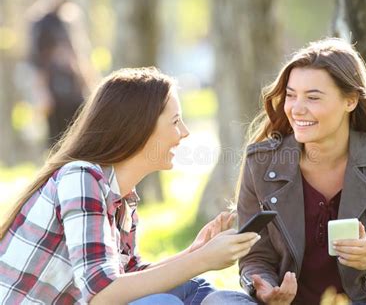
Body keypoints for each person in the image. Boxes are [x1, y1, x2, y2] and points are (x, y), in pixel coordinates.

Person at [201, 38, 366, 304]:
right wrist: (265, 289)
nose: (297, 108)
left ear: (350, 101)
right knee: (219, 300)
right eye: (291, 95)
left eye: (313, 97)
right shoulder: (261, 162)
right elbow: (255, 258)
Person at [0, 67, 260, 305]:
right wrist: (202, 260)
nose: (184, 132)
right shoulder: (80, 176)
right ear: (140, 127)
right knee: (163, 304)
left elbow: (129, 277)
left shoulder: (123, 197)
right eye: (175, 121)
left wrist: (194, 252)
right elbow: (102, 293)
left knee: (193, 289)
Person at [29, 0, 91, 147]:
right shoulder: (41, 23)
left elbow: (78, 55)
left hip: (74, 89)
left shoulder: (70, 19)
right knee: (57, 141)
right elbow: (37, 61)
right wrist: (42, 93)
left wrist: (89, 84)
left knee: (78, 137)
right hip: (55, 90)